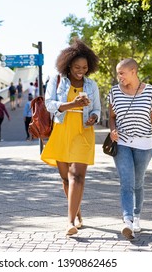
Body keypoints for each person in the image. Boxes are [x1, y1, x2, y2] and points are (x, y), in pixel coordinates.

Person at [40, 39, 100, 236]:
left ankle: (70, 222)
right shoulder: (56, 80)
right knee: (66, 179)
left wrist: (93, 117)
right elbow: (49, 104)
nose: (80, 70)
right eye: (76, 67)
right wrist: (72, 104)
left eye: (84, 67)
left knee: (78, 176)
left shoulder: (92, 85)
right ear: (68, 65)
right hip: (62, 130)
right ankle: (77, 212)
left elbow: (97, 109)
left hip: (83, 132)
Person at [107, 58, 152, 240]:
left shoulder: (151, 92)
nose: (119, 77)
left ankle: (137, 216)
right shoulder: (114, 92)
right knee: (126, 183)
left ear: (133, 71)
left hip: (145, 145)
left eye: (122, 73)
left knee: (138, 183)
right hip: (122, 143)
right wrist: (112, 131)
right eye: (118, 73)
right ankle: (128, 221)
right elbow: (112, 117)